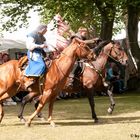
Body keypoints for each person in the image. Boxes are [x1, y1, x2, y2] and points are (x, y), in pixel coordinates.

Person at [23, 24, 48, 89]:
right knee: (41, 65)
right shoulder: (32, 34)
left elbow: (46, 46)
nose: (46, 31)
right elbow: (29, 46)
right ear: (42, 29)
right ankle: (31, 80)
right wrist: (40, 46)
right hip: (34, 52)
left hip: (41, 53)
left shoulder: (42, 37)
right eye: (45, 30)